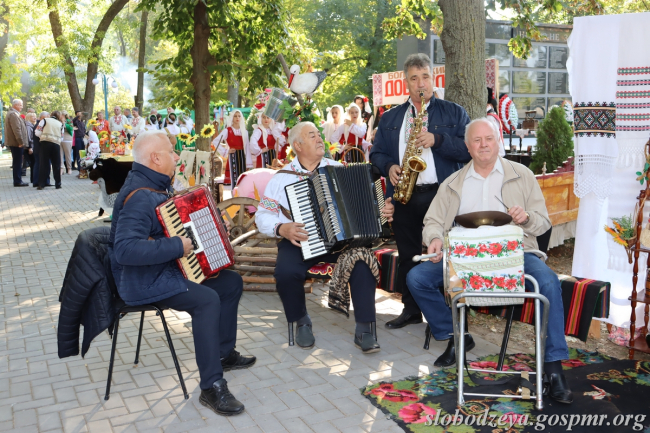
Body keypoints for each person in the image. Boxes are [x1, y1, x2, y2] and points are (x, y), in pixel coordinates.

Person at [406, 118, 573, 404]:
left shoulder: (522, 175)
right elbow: (432, 221)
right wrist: (434, 238)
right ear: (467, 147)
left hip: (515, 253)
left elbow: (543, 222)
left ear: (499, 142)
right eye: (476, 140)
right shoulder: (453, 183)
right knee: (417, 278)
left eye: (489, 139)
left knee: (546, 281)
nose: (483, 145)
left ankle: (554, 367)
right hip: (464, 257)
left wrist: (526, 218)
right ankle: (457, 335)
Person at [108, 130, 255, 416]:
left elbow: (166, 226)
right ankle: (211, 386)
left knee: (230, 282)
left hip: (161, 271)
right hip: (142, 281)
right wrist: (177, 245)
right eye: (172, 152)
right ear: (155, 158)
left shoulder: (153, 185)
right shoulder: (140, 196)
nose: (177, 157)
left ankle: (223, 354)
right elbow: (125, 250)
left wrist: (209, 227)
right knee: (206, 300)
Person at [255, 122, 395, 352]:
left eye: (319, 135)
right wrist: (281, 228)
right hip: (300, 241)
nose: (320, 139)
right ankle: (301, 321)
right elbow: (262, 215)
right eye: (312, 136)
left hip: (341, 244)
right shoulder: (281, 179)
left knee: (362, 263)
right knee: (285, 272)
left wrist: (383, 211)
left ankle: (364, 329)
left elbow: (367, 204)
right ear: (298, 146)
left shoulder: (339, 169)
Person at [370, 53, 471, 330]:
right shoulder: (391, 117)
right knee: (408, 255)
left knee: (446, 255)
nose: (420, 83)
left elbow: (467, 149)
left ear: (433, 78)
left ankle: (447, 313)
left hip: (442, 194)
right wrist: (389, 166)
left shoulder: (454, 112)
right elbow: (376, 154)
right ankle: (412, 310)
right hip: (405, 194)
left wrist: (437, 139)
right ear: (406, 83)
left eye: (425, 76)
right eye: (414, 78)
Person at [212, 110, 252, 185]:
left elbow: (247, 147)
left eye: (239, 116)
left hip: (242, 157)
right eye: (235, 116)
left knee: (243, 181)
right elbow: (215, 141)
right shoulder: (227, 130)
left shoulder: (244, 131)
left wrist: (248, 163)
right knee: (233, 179)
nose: (237, 118)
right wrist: (226, 151)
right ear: (232, 118)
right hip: (233, 156)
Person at [35, 111, 65, 190]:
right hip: (56, 144)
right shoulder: (60, 124)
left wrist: (42, 137)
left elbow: (37, 132)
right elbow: (62, 137)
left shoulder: (44, 120)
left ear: (50, 115)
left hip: (45, 143)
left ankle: (41, 184)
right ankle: (58, 184)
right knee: (56, 164)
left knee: (44, 164)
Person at [6, 99, 29, 186]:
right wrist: (20, 142)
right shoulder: (13, 114)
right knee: (18, 162)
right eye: (20, 105)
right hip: (16, 143)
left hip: (16, 142)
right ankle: (17, 181)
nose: (22, 107)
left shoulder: (13, 114)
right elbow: (17, 129)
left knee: (18, 162)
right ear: (15, 105)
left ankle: (18, 180)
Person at [32, 111, 51, 187]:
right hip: (40, 149)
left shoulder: (40, 125)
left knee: (43, 165)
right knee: (39, 165)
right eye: (47, 118)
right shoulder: (39, 125)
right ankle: (37, 181)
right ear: (42, 118)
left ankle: (45, 181)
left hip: (40, 148)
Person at [24, 113, 36, 184]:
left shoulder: (32, 125)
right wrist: (29, 148)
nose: (34, 118)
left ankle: (33, 179)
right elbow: (28, 137)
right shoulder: (28, 126)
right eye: (32, 116)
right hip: (30, 147)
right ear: (29, 117)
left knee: (33, 163)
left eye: (35, 116)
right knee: (33, 163)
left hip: (32, 146)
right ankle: (33, 179)